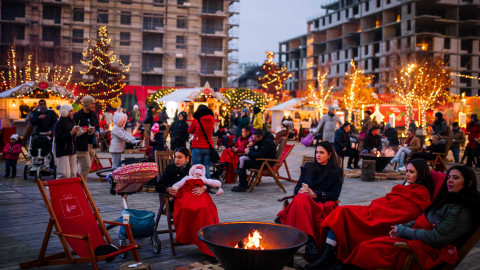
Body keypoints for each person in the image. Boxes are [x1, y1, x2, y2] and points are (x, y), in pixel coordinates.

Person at [304, 159, 434, 269]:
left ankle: (330, 257)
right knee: (341, 212)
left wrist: (380, 211)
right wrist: (377, 207)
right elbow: (390, 199)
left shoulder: (421, 193)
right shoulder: (406, 186)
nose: (407, 175)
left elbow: (407, 212)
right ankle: (326, 255)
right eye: (407, 171)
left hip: (384, 220)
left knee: (345, 214)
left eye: (411, 172)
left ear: (421, 175)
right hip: (374, 211)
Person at [343, 165, 480, 270]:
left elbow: (435, 238)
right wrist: (402, 227)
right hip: (414, 238)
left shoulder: (461, 211)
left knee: (368, 249)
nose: (449, 181)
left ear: (468, 183)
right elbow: (424, 218)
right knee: (366, 243)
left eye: (455, 178)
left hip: (422, 252)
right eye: (448, 177)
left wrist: (403, 231)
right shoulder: (449, 200)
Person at [276, 141, 343, 262]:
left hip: (321, 204)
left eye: (322, 153)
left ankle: (294, 245)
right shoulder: (309, 167)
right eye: (317, 152)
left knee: (300, 201)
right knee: (301, 197)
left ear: (330, 154)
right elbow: (296, 189)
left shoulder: (336, 172)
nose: (318, 155)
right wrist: (301, 190)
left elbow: (334, 195)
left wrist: (315, 194)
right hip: (305, 203)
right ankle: (310, 241)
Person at [154, 148, 219, 258]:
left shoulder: (193, 169)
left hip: (197, 196)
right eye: (175, 157)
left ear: (187, 159)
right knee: (192, 208)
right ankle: (198, 239)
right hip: (178, 199)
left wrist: (204, 187)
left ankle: (208, 241)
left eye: (180, 157)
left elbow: (206, 181)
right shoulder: (171, 169)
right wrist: (167, 189)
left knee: (206, 208)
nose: (177, 160)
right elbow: (158, 185)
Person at [73, 95, 99, 181]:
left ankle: (80, 183)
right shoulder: (77, 115)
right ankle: (80, 185)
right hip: (81, 144)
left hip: (92, 144)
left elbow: (97, 125)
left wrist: (96, 132)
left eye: (94, 103)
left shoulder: (93, 115)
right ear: (86, 104)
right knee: (86, 166)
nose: (93, 105)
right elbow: (74, 129)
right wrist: (86, 130)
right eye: (92, 104)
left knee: (86, 168)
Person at [188, 105, 215, 179]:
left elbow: (190, 130)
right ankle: (207, 185)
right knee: (205, 167)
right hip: (208, 146)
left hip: (197, 147)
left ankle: (197, 185)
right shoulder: (212, 119)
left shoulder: (196, 120)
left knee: (196, 168)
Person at [54, 105, 80, 179]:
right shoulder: (59, 124)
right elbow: (59, 138)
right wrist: (71, 133)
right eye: (70, 111)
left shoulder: (72, 122)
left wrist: (79, 132)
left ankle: (71, 190)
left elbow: (73, 137)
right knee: (64, 174)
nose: (72, 113)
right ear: (65, 112)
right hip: (63, 151)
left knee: (73, 174)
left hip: (72, 151)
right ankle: (54, 189)